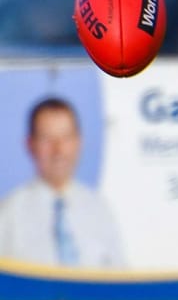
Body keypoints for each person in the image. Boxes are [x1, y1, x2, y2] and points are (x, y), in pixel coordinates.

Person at [0, 97, 126, 269]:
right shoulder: (9, 214)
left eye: (66, 137)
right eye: (47, 139)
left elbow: (120, 280)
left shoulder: (99, 209)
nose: (58, 150)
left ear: (79, 142)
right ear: (30, 145)